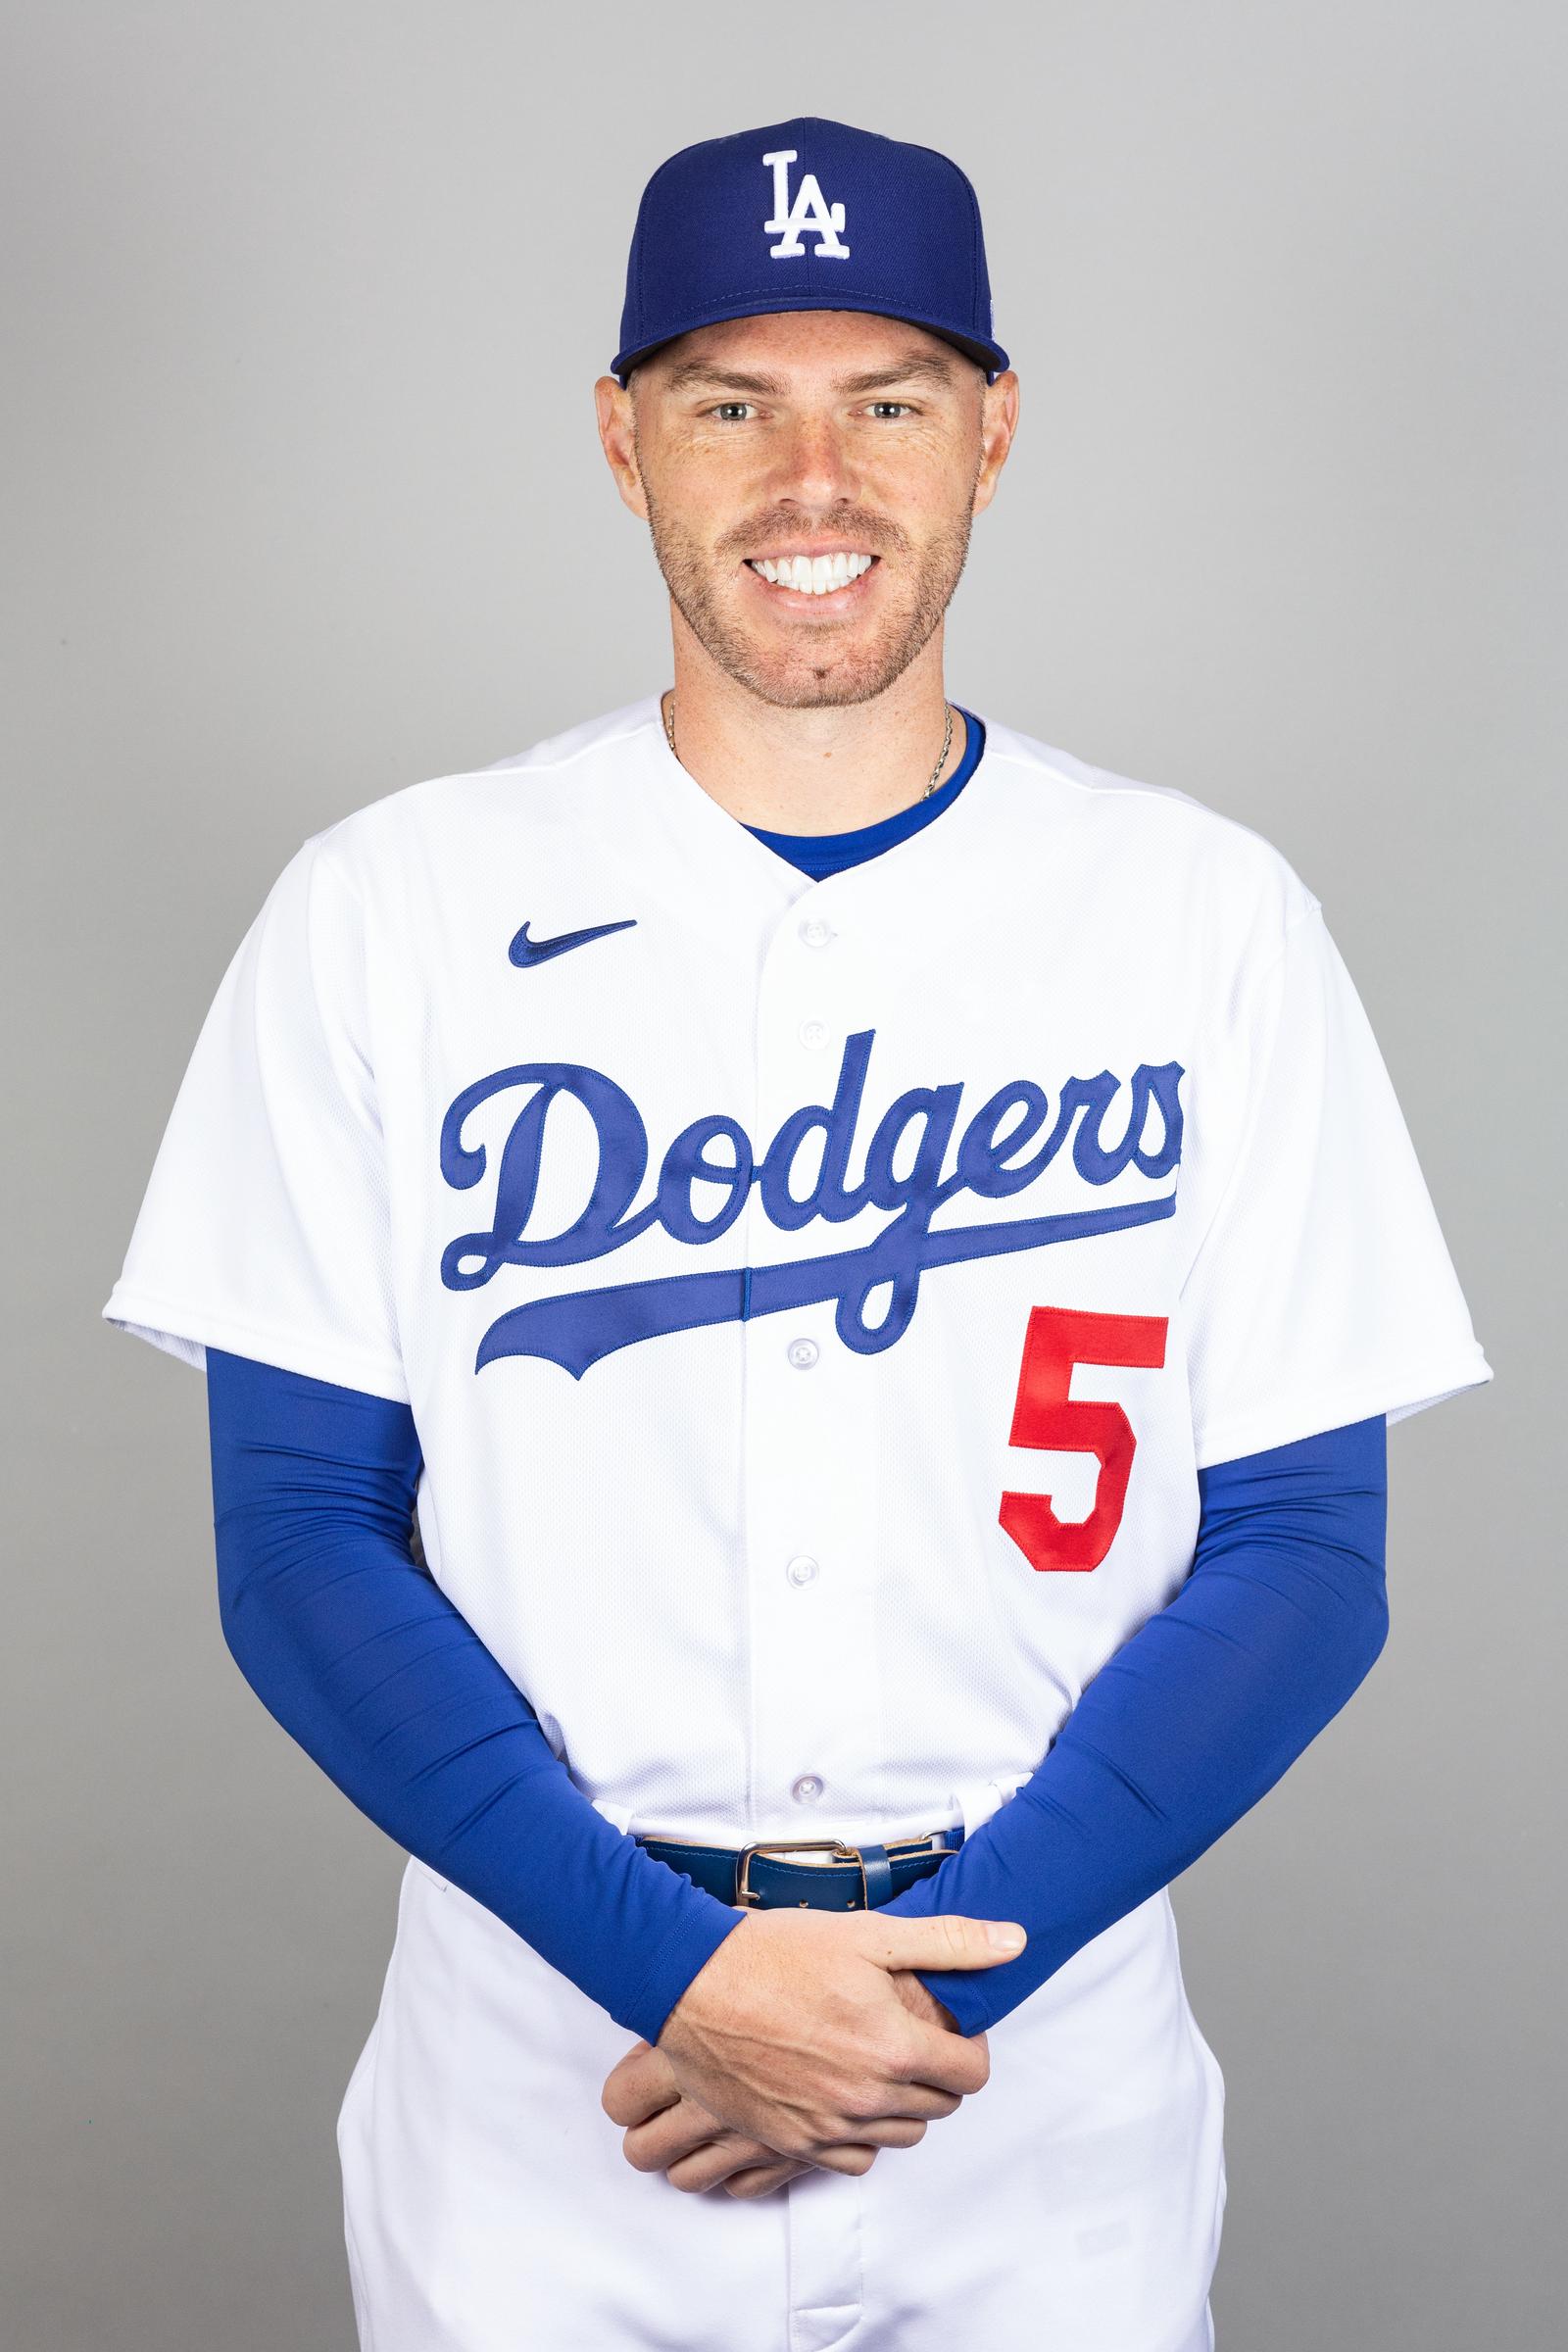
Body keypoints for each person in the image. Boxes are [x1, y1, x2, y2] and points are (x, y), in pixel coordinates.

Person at [103, 117, 1492, 2351]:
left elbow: (1307, 1552)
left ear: (995, 430)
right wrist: (681, 1975)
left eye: (890, 399)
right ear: (618, 434)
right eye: (733, 400)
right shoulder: (389, 912)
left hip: (1033, 2094)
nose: (810, 477)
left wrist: (926, 1998)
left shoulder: (1200, 917)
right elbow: (298, 1542)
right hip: (553, 2066)